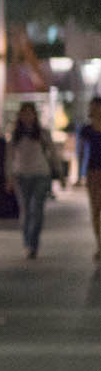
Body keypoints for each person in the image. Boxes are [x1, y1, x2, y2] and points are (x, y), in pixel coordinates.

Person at [8, 101, 60, 259]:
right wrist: (9, 177)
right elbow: (9, 158)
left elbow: (53, 153)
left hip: (40, 174)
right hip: (21, 176)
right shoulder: (15, 134)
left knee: (37, 210)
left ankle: (33, 244)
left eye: (30, 113)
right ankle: (27, 242)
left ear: (35, 115)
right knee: (25, 211)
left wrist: (59, 172)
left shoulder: (42, 133)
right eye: (24, 113)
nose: (27, 116)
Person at [76, 97, 101, 260]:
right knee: (95, 209)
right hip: (93, 172)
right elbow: (82, 152)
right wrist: (80, 174)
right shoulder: (86, 129)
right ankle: (99, 244)